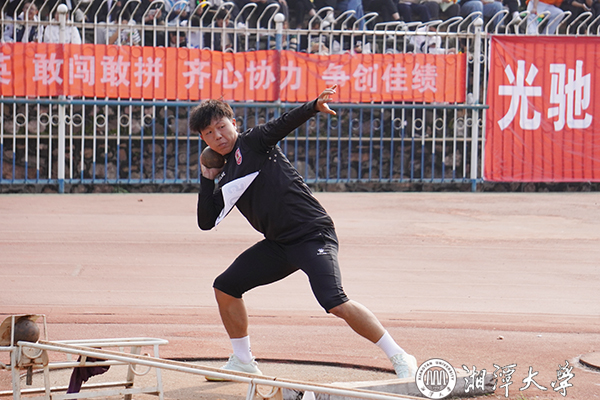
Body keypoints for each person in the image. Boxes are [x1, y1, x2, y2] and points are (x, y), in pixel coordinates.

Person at [190, 85, 418, 380]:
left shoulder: (254, 143)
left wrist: (313, 106)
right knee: (226, 286)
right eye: (209, 133)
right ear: (203, 139)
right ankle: (243, 361)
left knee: (335, 301)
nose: (218, 136)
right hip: (278, 244)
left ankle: (400, 355)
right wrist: (207, 179)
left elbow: (282, 124)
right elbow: (206, 221)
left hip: (312, 234)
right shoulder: (226, 174)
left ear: (233, 123)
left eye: (221, 127)